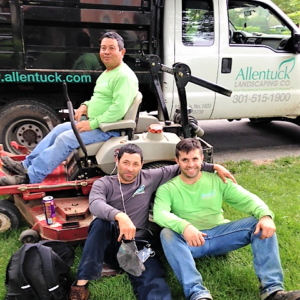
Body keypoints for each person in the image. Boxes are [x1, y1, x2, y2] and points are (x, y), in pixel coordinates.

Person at [67, 143, 236, 300]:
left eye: (135, 164)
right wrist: (120, 216)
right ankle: (81, 285)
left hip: (137, 245)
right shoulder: (104, 183)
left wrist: (214, 166)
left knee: (152, 279)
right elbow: (95, 204)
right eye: (125, 162)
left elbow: (184, 166)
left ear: (142, 165)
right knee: (100, 223)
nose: (130, 169)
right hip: (112, 244)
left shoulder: (149, 177)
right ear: (116, 161)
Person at [153, 138, 300, 300]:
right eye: (185, 160)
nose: (190, 164)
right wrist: (185, 226)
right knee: (167, 233)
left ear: (202, 159)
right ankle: (198, 294)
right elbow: (160, 214)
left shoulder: (217, 180)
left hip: (220, 236)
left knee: (259, 223)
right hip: (191, 243)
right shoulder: (167, 188)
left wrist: (265, 215)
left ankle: (273, 291)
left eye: (195, 159)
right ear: (177, 161)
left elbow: (247, 198)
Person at [0, 32, 138, 186]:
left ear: (122, 52)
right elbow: (100, 98)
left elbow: (118, 110)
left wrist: (91, 124)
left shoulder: (124, 77)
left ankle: (31, 177)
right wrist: (86, 105)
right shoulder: (108, 73)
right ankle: (25, 165)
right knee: (59, 130)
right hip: (97, 123)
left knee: (65, 139)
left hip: (108, 129)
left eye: (111, 48)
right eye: (103, 48)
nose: (106, 52)